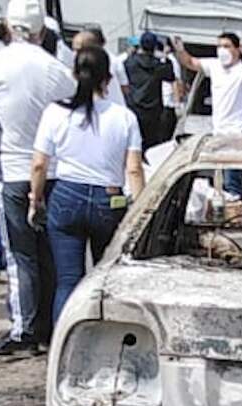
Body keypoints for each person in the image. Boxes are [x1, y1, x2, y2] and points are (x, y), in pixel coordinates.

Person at [0, 0, 77, 355]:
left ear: (6, 25)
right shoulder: (55, 68)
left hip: (11, 171)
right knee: (47, 254)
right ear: (41, 31)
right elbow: (71, 111)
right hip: (52, 173)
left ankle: (23, 330)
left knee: (19, 256)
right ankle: (47, 325)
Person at [30, 47, 144, 323]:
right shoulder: (125, 117)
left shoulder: (55, 112)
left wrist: (35, 200)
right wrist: (140, 212)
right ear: (108, 79)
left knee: (68, 281)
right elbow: (133, 169)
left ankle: (62, 347)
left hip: (66, 196)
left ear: (74, 74)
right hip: (109, 199)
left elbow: (38, 165)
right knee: (105, 282)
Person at [173, 32, 242, 199]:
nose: (222, 50)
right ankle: (224, 212)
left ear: (238, 49)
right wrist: (180, 49)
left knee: (231, 181)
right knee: (218, 180)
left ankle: (234, 212)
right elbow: (190, 62)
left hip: (237, 133)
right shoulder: (214, 66)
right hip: (218, 133)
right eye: (219, 46)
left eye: (226, 46)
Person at [125, 31, 175, 151]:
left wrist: (130, 54)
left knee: (131, 145)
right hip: (153, 112)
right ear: (154, 47)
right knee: (150, 147)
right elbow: (171, 76)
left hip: (133, 109)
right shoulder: (158, 66)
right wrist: (166, 57)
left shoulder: (130, 63)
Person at [71, 26, 130, 107]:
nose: (74, 54)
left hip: (109, 108)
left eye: (78, 50)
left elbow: (124, 86)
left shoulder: (110, 60)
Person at [156, 40, 183, 143]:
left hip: (169, 103)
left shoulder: (171, 61)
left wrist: (177, 103)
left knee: (164, 137)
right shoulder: (161, 60)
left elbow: (176, 82)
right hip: (162, 103)